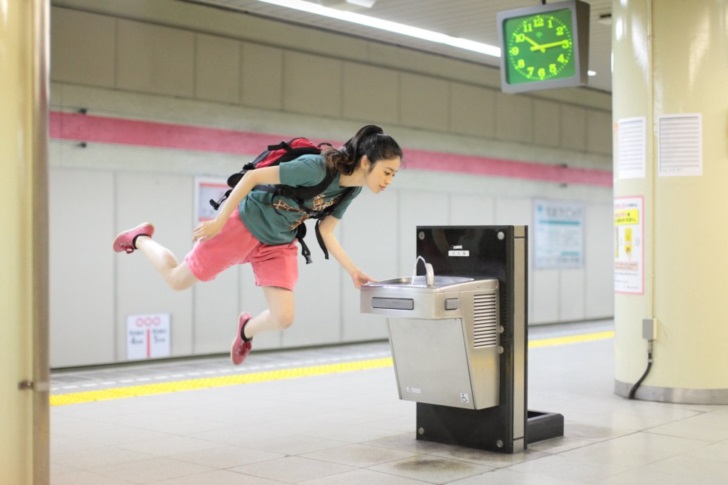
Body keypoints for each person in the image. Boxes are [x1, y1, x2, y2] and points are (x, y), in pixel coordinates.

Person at [113, 125, 402, 365]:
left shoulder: (350, 191)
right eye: (387, 171)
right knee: (177, 280)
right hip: (244, 224)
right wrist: (218, 221)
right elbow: (252, 177)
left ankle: (246, 330)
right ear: (366, 162)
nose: (389, 180)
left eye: (394, 175)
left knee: (283, 317)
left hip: (279, 241)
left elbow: (326, 231)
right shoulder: (316, 168)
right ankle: (140, 238)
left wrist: (353, 271)